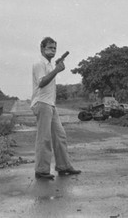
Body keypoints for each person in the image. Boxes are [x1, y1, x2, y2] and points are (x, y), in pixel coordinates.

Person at [31, 37, 81, 179]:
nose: (52, 50)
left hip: (50, 104)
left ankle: (63, 166)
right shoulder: (39, 63)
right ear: (42, 48)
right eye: (49, 47)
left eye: (54, 48)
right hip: (42, 103)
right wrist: (57, 70)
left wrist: (56, 67)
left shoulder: (49, 65)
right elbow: (41, 83)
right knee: (44, 138)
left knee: (60, 136)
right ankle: (41, 170)